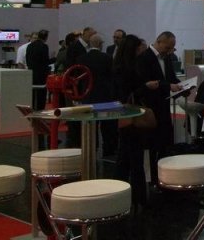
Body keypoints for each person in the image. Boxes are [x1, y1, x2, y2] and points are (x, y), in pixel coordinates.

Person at [135, 31, 182, 186]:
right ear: (159, 41)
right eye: (168, 47)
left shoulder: (166, 57)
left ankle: (165, 177)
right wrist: (168, 86)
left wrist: (182, 86)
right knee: (151, 144)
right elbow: (145, 82)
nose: (169, 51)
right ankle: (152, 178)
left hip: (164, 105)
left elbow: (171, 77)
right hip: (150, 107)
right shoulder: (144, 58)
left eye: (171, 48)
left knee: (164, 142)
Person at [114, 34, 149, 209]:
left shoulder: (118, 66)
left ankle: (120, 193)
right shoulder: (131, 69)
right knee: (135, 158)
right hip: (133, 115)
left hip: (123, 115)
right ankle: (138, 197)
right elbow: (132, 92)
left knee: (124, 157)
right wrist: (146, 87)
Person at [77, 34, 117, 156]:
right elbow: (112, 76)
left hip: (88, 95)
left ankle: (91, 147)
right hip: (104, 96)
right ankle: (108, 149)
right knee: (107, 125)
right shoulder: (107, 58)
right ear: (100, 44)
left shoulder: (81, 58)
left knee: (90, 123)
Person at [25, 30, 51, 111]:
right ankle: (40, 111)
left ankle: (32, 109)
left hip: (31, 73)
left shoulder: (29, 46)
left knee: (32, 93)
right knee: (41, 95)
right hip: (41, 75)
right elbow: (45, 61)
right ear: (46, 37)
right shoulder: (44, 46)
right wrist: (55, 59)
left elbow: (27, 59)